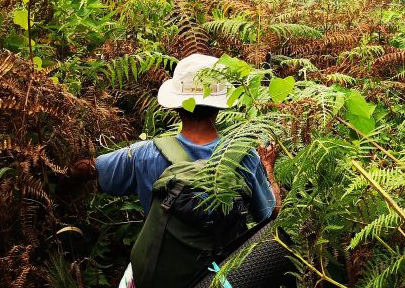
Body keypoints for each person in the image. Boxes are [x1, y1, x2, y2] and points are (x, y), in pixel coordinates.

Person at [68, 51, 280, 255]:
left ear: (176, 106)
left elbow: (90, 168)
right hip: (223, 282)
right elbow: (272, 217)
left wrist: (58, 177)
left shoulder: (144, 155)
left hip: (162, 275)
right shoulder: (245, 157)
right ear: (219, 107)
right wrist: (268, 169)